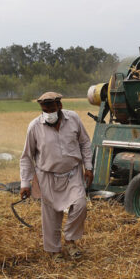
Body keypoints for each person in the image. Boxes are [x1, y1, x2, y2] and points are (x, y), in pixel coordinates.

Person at [19, 92, 93, 260]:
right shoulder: (34, 127)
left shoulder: (73, 119)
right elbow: (26, 157)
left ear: (59, 106)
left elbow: (84, 143)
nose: (48, 113)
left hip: (73, 173)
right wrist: (25, 183)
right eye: (45, 110)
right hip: (48, 177)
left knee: (80, 204)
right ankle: (54, 251)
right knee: (51, 215)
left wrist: (88, 166)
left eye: (51, 109)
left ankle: (70, 240)